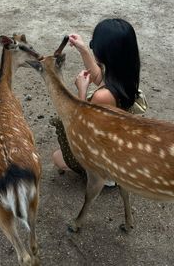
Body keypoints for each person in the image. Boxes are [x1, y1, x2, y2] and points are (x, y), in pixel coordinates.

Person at [50, 18, 148, 185]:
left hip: (107, 157)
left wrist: (82, 89)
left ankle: (107, 178)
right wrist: (83, 50)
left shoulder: (102, 97)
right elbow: (98, 77)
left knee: (57, 158)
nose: (91, 47)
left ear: (104, 55)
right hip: (118, 142)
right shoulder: (125, 74)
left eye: (92, 45)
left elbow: (82, 129)